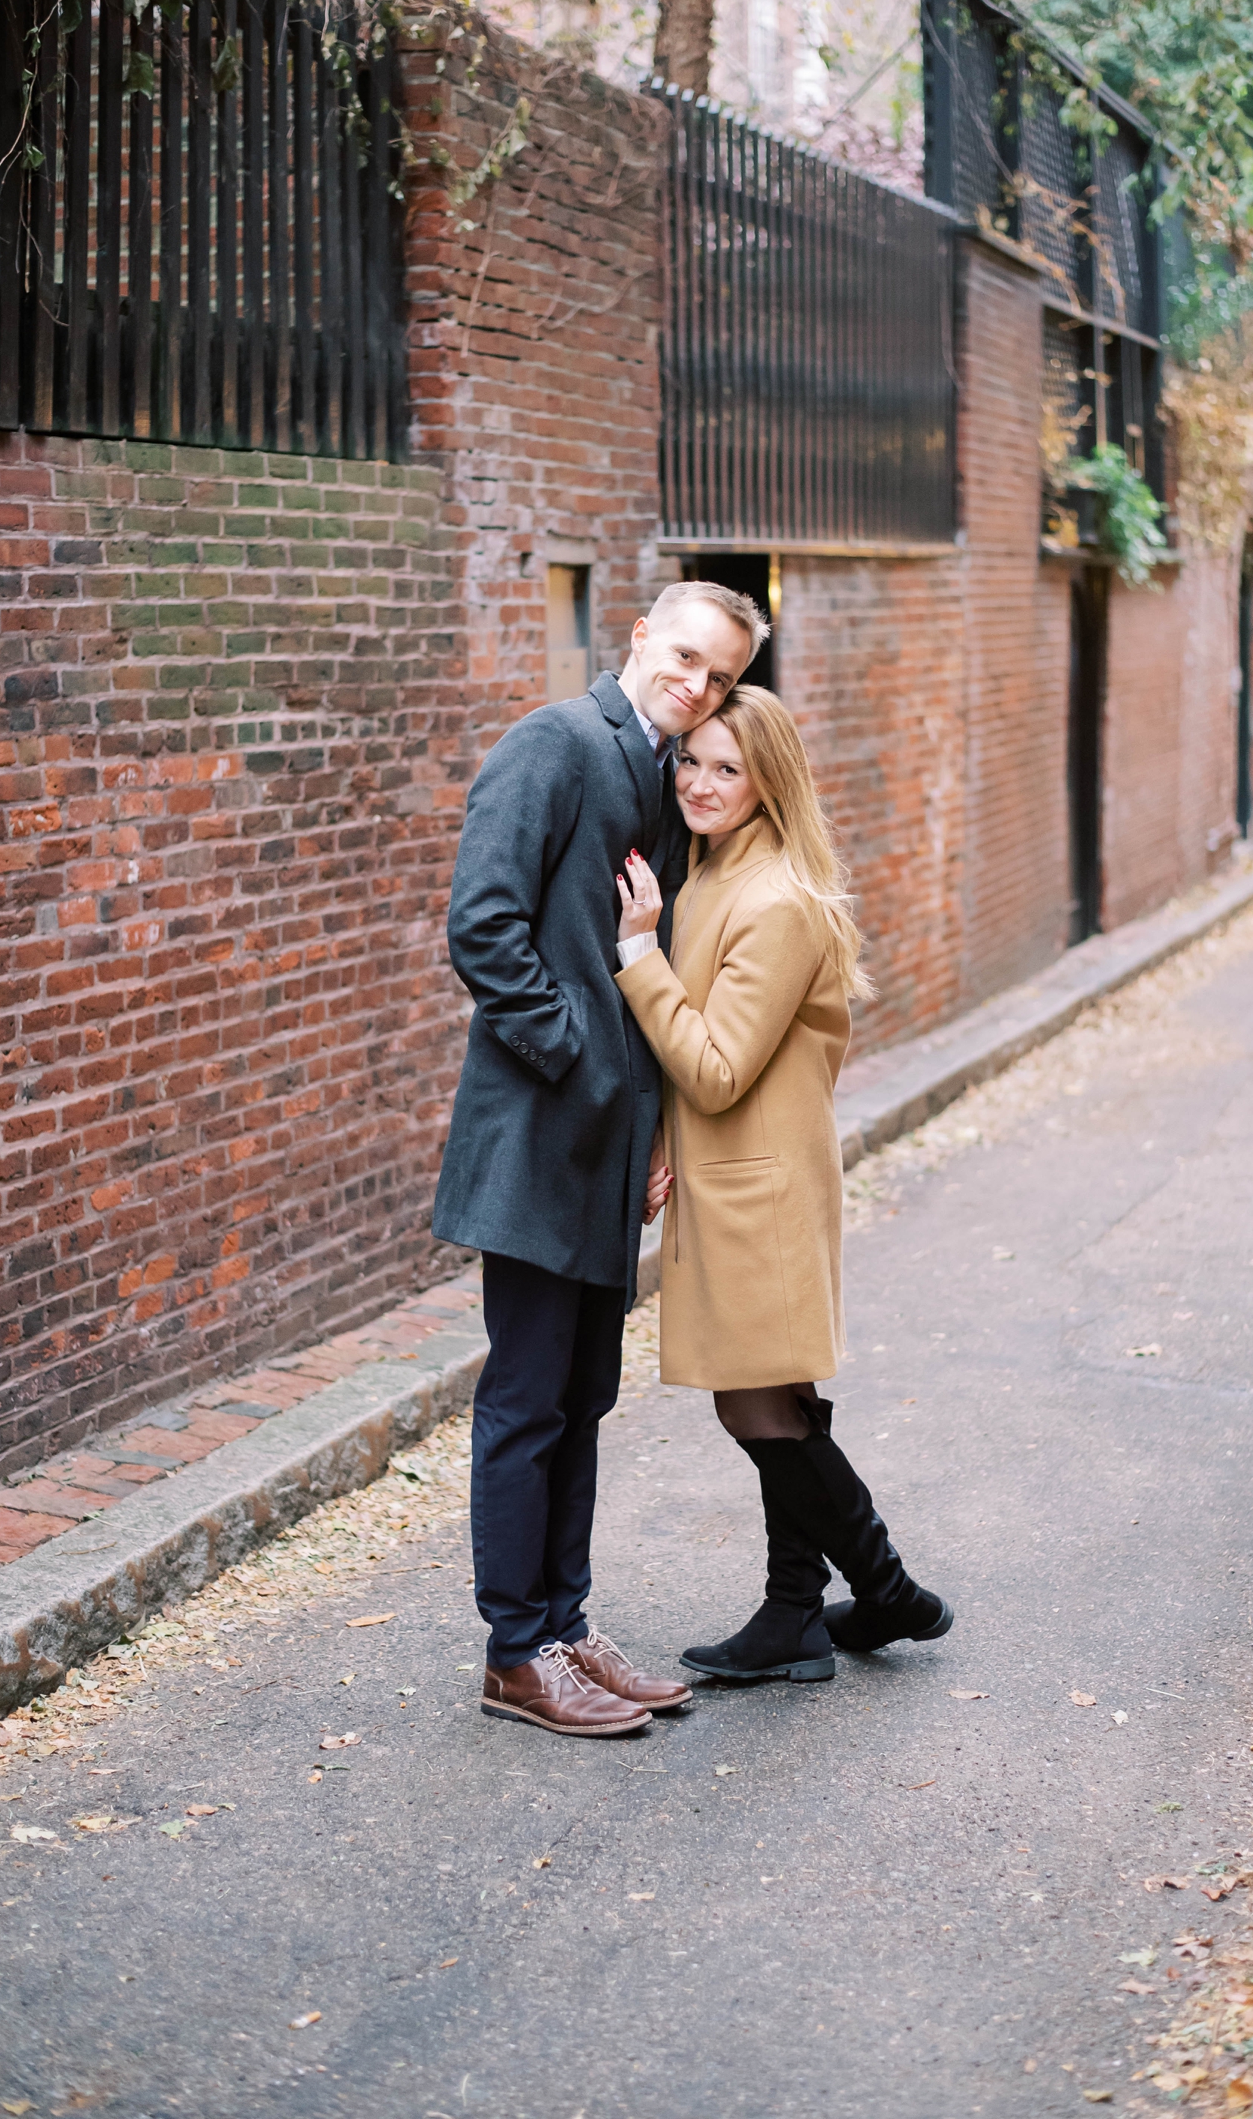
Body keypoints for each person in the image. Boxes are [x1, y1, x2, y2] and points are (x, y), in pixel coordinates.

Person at [433, 582, 766, 1736]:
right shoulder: (554, 743)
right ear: (639, 635)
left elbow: (638, 952)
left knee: (583, 1399)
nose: (698, 685)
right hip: (537, 1135)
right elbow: (483, 926)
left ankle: (565, 1627)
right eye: (686, 657)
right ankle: (515, 1654)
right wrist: (578, 1059)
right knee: (527, 1400)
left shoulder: (662, 778)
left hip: (612, 1148)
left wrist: (652, 1121)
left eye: (721, 676)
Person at [611, 685, 953, 1682]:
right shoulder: (715, 872)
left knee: (754, 1408)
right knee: (784, 1401)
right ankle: (796, 1612)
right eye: (690, 761)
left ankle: (888, 1589)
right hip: (737, 1175)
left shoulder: (776, 900)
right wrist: (663, 1141)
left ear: (770, 783)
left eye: (729, 768)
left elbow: (718, 1066)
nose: (700, 783)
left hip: (759, 1189)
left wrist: (635, 951)